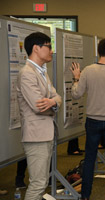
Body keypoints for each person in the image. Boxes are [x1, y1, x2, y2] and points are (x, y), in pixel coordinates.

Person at [70, 38, 105, 200]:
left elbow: (76, 94)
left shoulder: (88, 70)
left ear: (98, 52)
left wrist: (76, 78)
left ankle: (86, 196)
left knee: (90, 159)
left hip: (93, 120)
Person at [16, 32, 62, 200]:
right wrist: (53, 103)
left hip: (44, 134)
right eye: (49, 46)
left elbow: (57, 97)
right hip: (36, 136)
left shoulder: (41, 71)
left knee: (41, 183)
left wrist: (53, 102)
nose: (51, 51)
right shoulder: (27, 73)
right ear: (36, 48)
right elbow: (38, 107)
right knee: (38, 184)